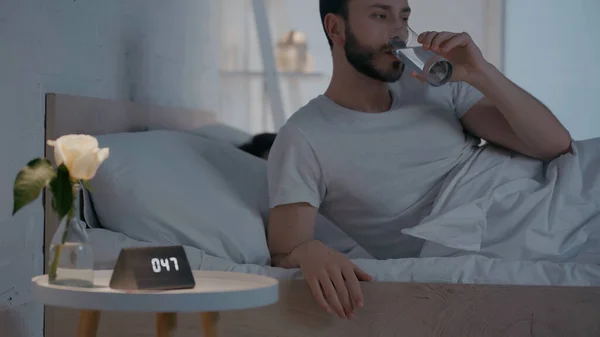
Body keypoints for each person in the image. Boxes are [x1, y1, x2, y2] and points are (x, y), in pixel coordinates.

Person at [266, 0, 578, 320]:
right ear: (336, 28)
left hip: (551, 195)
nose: (399, 31)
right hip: (501, 232)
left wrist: (481, 73)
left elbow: (554, 146)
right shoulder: (304, 137)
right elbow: (286, 250)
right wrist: (309, 251)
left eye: (404, 16)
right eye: (380, 15)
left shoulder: (432, 84)